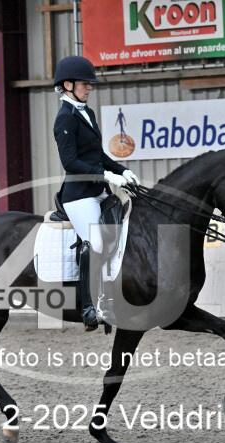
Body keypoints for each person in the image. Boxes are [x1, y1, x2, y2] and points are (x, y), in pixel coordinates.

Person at [52, 55, 140, 331]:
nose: (89, 87)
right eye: (84, 83)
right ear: (68, 85)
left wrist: (122, 171)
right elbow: (70, 162)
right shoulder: (64, 119)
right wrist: (105, 175)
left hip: (99, 190)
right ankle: (89, 307)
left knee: (124, 233)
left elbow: (97, 155)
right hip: (79, 195)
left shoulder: (86, 113)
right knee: (96, 243)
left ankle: (113, 296)